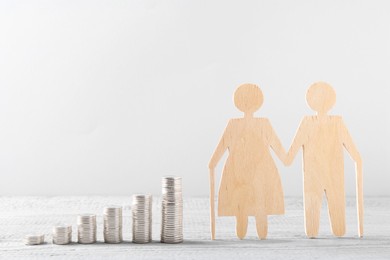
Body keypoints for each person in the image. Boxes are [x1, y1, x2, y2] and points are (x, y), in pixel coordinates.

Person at [209, 83, 287, 239]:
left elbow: (220, 148)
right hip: (258, 170)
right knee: (258, 203)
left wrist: (213, 163)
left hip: (241, 170)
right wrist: (287, 158)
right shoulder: (262, 123)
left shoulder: (234, 124)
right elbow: (279, 149)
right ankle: (259, 234)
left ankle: (243, 234)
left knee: (243, 204)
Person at [286, 82, 363, 238]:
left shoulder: (312, 123)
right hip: (323, 175)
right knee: (331, 208)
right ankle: (326, 231)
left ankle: (319, 231)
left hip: (319, 175)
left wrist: (283, 156)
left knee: (321, 210)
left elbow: (290, 154)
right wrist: (358, 161)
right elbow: (355, 153)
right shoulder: (332, 122)